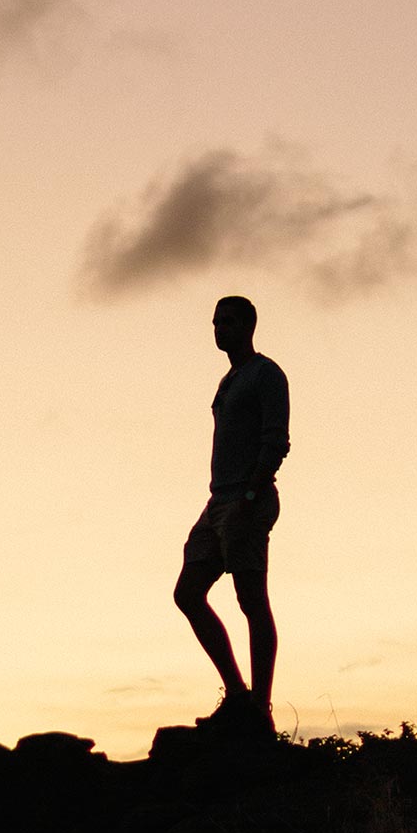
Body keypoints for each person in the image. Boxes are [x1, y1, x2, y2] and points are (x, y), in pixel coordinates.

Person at [173, 295, 290, 740]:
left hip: (247, 500)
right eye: (215, 322)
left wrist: (249, 494)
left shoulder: (266, 374)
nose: (218, 329)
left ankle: (260, 708)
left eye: (227, 322)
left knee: (251, 600)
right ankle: (238, 695)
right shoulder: (228, 381)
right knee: (187, 593)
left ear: (248, 325)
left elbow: (276, 440)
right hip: (217, 503)